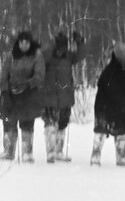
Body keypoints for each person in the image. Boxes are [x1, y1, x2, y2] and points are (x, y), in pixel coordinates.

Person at [91, 43, 125, 167]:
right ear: (120, 58)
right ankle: (96, 158)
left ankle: (120, 158)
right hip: (106, 107)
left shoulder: (120, 70)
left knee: (120, 131)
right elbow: (118, 94)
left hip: (113, 107)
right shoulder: (112, 72)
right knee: (102, 131)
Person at [1, 30, 46, 162]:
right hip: (11, 95)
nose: (24, 45)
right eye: (21, 42)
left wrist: (28, 84)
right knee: (9, 123)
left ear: (30, 43)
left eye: (26, 42)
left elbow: (40, 76)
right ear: (18, 42)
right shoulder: (10, 55)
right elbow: (3, 76)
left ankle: (27, 151)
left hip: (29, 94)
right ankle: (9, 150)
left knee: (27, 123)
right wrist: (4, 92)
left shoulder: (37, 55)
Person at [41, 29, 84, 163]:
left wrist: (80, 42)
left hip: (65, 96)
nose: (61, 49)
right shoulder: (48, 56)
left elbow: (81, 55)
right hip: (50, 96)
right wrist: (52, 46)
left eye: (63, 46)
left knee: (62, 125)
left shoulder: (68, 56)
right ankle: (50, 152)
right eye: (59, 46)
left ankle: (59, 151)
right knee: (50, 124)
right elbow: (41, 56)